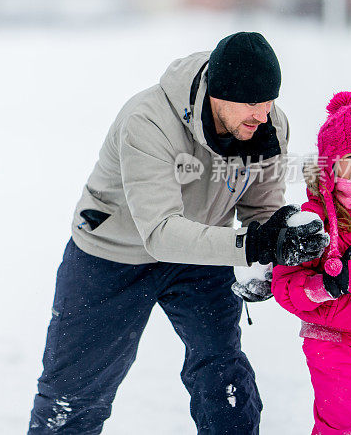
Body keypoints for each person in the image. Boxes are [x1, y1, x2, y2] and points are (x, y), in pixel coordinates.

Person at [27, 32, 330, 434]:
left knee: (223, 380)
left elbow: (261, 211)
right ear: (216, 94)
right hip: (111, 253)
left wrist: (273, 249)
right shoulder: (149, 120)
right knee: (74, 395)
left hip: (203, 253)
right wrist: (252, 244)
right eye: (249, 104)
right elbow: (161, 232)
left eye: (268, 101)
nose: (261, 115)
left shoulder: (268, 125)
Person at [272, 92, 351, 434]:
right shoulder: (313, 219)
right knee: (341, 422)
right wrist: (325, 287)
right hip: (331, 338)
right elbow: (284, 288)